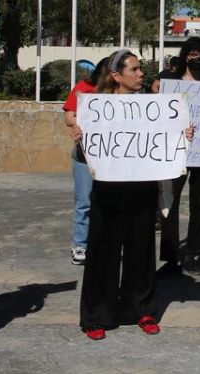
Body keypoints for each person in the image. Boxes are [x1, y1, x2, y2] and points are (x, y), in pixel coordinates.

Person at [77, 49, 192, 341]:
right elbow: (86, 153)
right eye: (135, 69)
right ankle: (97, 315)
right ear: (116, 76)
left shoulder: (153, 107)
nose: (141, 74)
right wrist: (81, 137)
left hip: (141, 188)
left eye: (141, 69)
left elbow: (167, 141)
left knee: (141, 248)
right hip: (107, 189)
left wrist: (183, 135)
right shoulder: (96, 108)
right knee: (103, 249)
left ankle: (141, 309)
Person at [159, 37, 200, 276]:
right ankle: (170, 256)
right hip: (177, 152)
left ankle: (194, 253)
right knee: (169, 204)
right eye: (193, 54)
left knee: (199, 203)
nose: (197, 58)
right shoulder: (171, 82)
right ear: (185, 55)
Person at [63, 56, 111, 266]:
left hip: (110, 155)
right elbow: (69, 116)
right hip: (85, 155)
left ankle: (104, 243)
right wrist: (83, 123)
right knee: (84, 202)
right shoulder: (83, 88)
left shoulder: (118, 94)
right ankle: (80, 245)